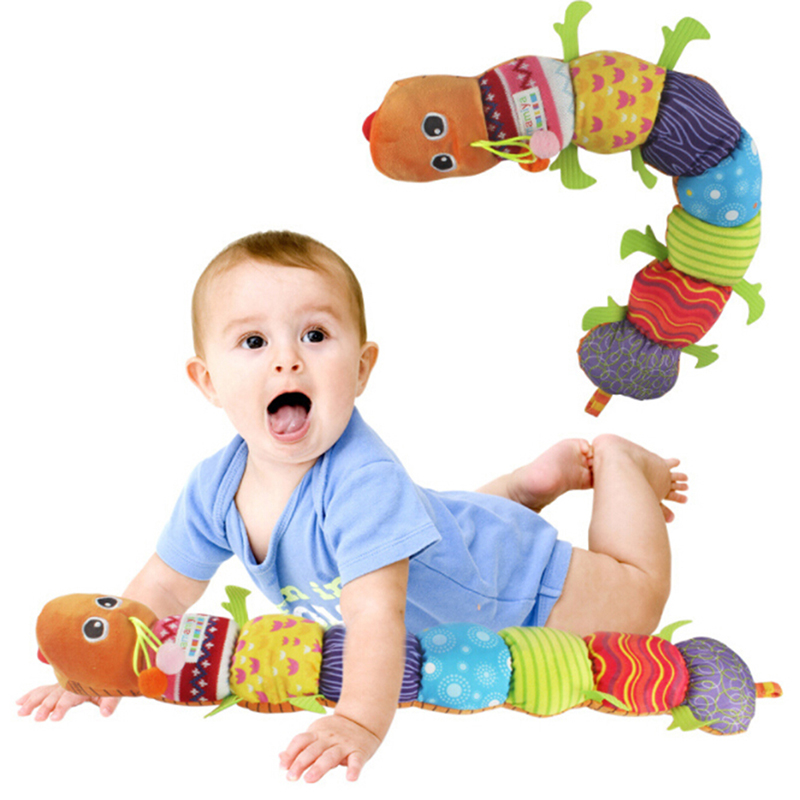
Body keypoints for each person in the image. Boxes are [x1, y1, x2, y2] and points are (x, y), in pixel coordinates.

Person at [18, 231, 688, 783]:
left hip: (523, 586)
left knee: (638, 602)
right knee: (441, 534)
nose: (287, 361)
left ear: (362, 368)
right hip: (448, 535)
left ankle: (620, 462)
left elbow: (375, 615)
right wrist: (101, 671)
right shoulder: (213, 487)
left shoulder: (363, 482)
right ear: (207, 381)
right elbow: (161, 589)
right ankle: (520, 490)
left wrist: (359, 719)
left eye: (314, 335)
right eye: (253, 342)